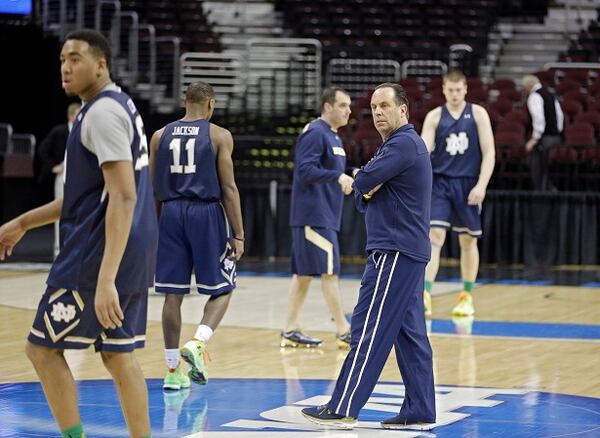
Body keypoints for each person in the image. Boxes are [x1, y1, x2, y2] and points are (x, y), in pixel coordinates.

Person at [0, 29, 157, 438]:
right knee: (118, 357)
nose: (66, 67)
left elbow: (123, 197)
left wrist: (105, 279)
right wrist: (23, 222)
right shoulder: (117, 106)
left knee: (42, 348)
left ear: (100, 64)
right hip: (130, 252)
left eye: (75, 58)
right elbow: (85, 198)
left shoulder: (101, 114)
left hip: (95, 258)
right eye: (62, 60)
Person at [301, 83, 436, 430]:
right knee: (410, 335)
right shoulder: (397, 145)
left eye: (385, 106)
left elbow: (362, 183)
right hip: (406, 251)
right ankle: (420, 407)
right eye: (374, 107)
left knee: (368, 329)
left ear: (403, 110)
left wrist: (366, 183)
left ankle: (344, 405)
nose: (377, 112)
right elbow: (364, 191)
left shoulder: (403, 143)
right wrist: (366, 184)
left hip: (394, 252)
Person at [149, 81, 244, 391]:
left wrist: (152, 229)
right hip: (206, 214)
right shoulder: (219, 135)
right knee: (224, 287)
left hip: (171, 213)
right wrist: (238, 234)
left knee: (172, 295)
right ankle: (199, 342)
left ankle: (172, 369)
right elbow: (229, 188)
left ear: (184, 102)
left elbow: (153, 190)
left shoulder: (159, 136)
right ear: (211, 105)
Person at [281, 87, 354, 349]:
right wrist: (337, 177)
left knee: (303, 274)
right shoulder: (315, 132)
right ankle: (344, 329)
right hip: (314, 215)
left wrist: (348, 176)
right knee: (329, 272)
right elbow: (304, 170)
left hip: (326, 214)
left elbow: (328, 171)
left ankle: (289, 329)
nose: (349, 111)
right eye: (343, 105)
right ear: (327, 107)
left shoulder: (334, 137)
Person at [420, 70, 495, 317]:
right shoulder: (434, 117)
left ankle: (466, 296)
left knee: (467, 240)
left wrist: (481, 186)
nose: (454, 94)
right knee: (435, 236)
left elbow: (489, 153)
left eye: (458, 90)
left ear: (465, 89)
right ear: (444, 90)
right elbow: (423, 149)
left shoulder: (478, 114)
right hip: (440, 183)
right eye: (449, 90)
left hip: (468, 183)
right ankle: (425, 294)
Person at [37, 102, 81, 258]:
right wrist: (53, 167)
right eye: (78, 113)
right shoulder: (59, 131)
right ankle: (58, 251)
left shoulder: (84, 130)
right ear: (71, 116)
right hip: (63, 175)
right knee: (60, 211)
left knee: (80, 211)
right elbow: (43, 149)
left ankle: (75, 250)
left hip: (81, 176)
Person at [522, 74, 564, 191]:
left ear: (529, 85)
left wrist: (534, 138)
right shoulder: (551, 95)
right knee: (548, 168)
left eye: (524, 87)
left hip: (544, 139)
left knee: (538, 167)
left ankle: (541, 194)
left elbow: (538, 118)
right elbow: (560, 116)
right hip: (555, 136)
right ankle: (550, 190)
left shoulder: (534, 96)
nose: (523, 89)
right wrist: (557, 132)